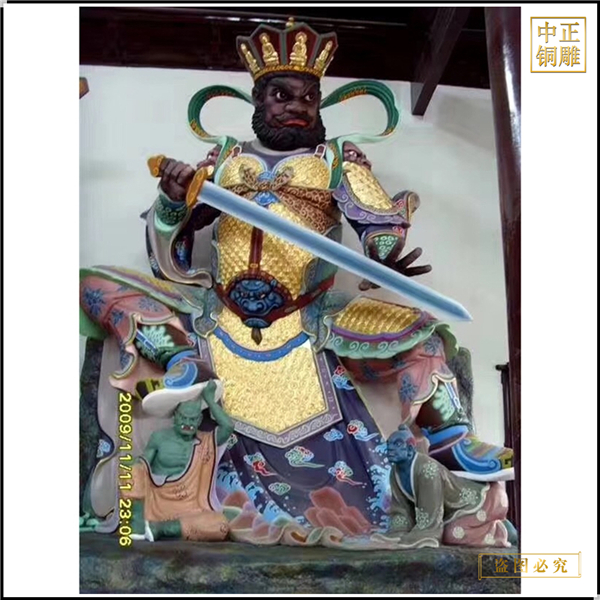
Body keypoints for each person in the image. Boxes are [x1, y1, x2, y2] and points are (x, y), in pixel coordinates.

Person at [80, 18, 513, 543]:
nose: (296, 107)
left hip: (310, 318)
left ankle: (453, 440)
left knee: (422, 333)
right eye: (281, 95)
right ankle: (181, 361)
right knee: (97, 284)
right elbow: (170, 243)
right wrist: (174, 199)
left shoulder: (336, 163)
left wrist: (384, 256)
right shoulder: (224, 162)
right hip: (217, 315)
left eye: (309, 97)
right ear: (258, 101)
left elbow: (377, 225)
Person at [125, 377, 234, 542]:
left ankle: (161, 529)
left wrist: (210, 400)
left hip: (191, 509)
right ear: (175, 417)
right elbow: (143, 466)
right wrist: (134, 469)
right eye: (183, 418)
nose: (187, 423)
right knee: (131, 467)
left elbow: (228, 427)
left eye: (193, 419)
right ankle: (138, 522)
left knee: (220, 526)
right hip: (157, 502)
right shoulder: (159, 438)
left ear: (199, 420)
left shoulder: (205, 442)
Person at [383, 426, 510, 548]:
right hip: (450, 513)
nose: (390, 448)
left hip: (481, 501)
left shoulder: (428, 468)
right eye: (389, 444)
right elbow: (400, 508)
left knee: (453, 534)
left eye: (397, 444)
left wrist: (422, 532)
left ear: (410, 449)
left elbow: (430, 516)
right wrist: (398, 530)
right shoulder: (395, 472)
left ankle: (497, 531)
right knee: (444, 531)